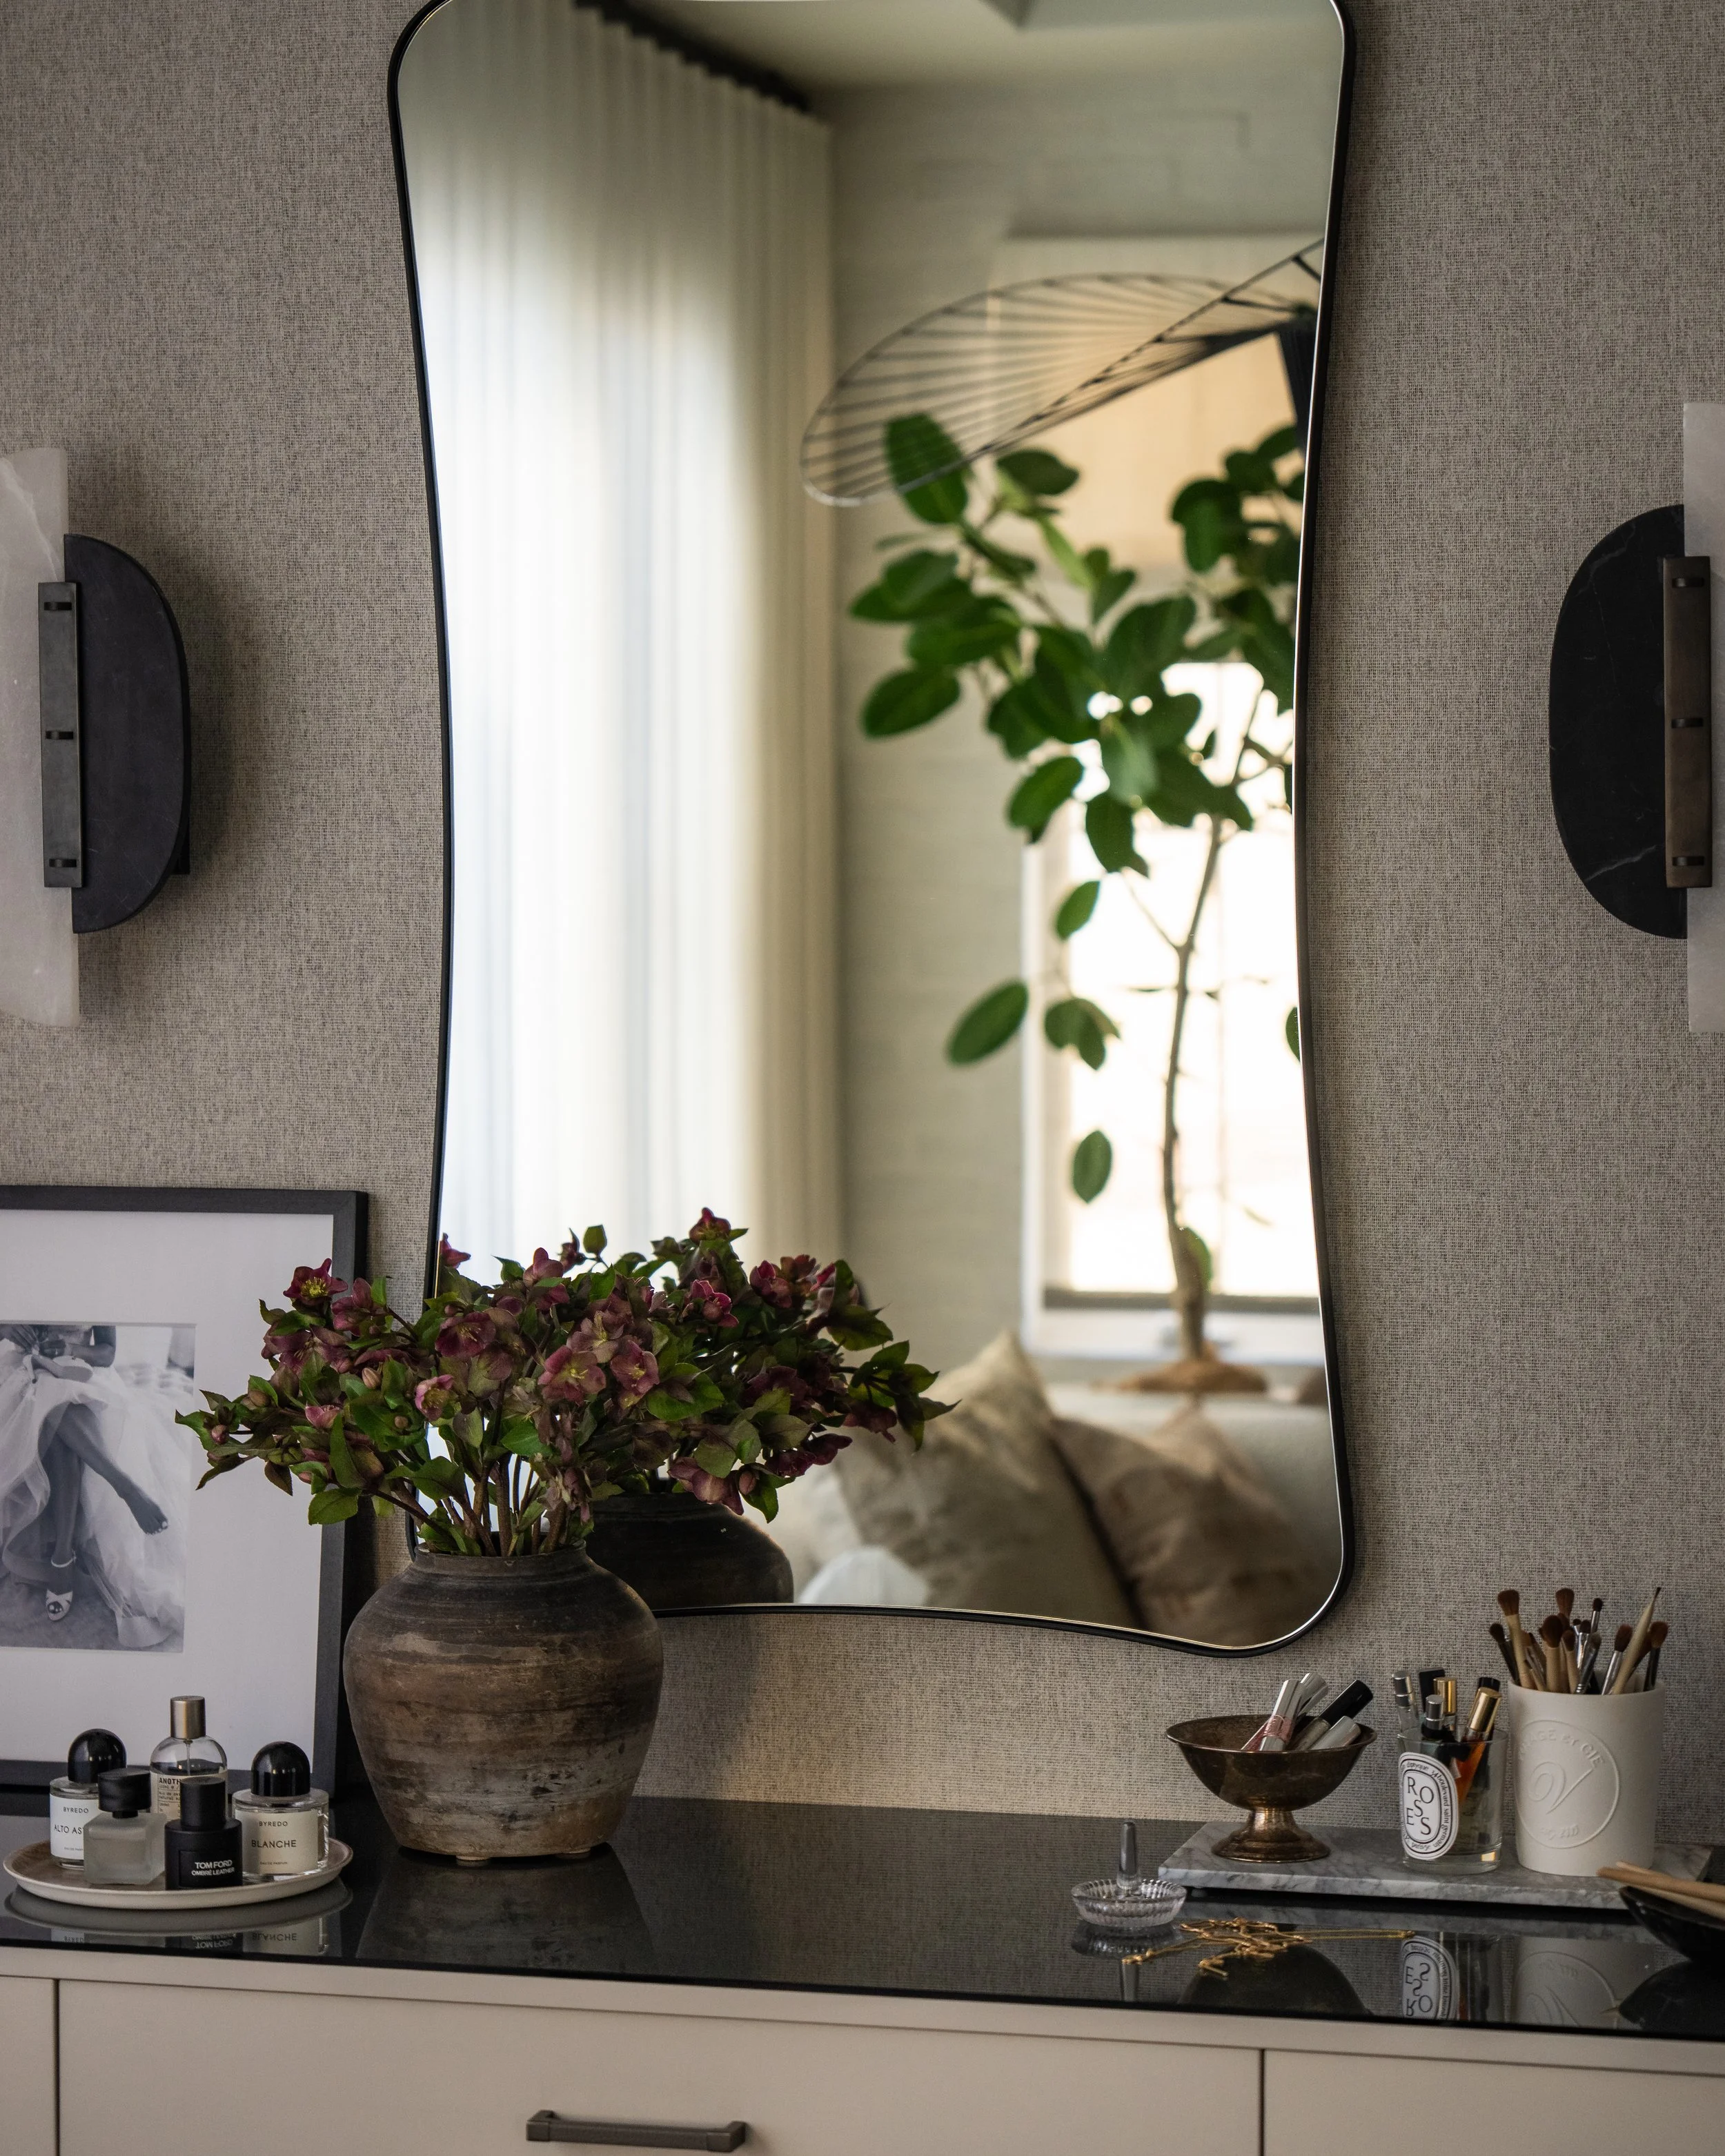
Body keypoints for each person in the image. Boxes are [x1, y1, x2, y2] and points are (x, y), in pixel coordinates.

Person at [0, 1324, 190, 1648]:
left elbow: (107, 1352)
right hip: (21, 1373)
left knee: (64, 1404)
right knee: (50, 1400)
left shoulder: (97, 1293)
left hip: (79, 1373)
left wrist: (70, 1350)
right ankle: (123, 1486)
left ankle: (63, 1558)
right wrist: (6, 1327)